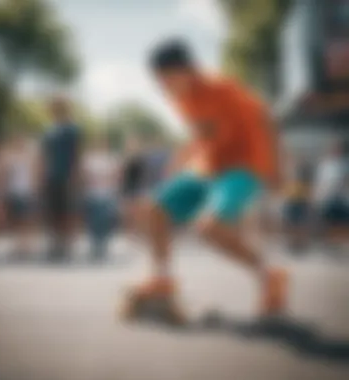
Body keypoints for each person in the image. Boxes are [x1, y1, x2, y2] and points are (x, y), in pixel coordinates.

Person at [128, 40, 288, 316]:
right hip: (208, 166)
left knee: (208, 228)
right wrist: (176, 166)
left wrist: (276, 168)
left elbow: (266, 117)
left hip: (244, 165)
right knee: (154, 208)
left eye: (168, 77)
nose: (164, 85)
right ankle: (163, 279)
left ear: (189, 69)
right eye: (159, 80)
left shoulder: (221, 87)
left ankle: (269, 275)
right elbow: (201, 133)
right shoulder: (178, 98)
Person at [41, 97, 81, 262]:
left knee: (66, 211)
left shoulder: (72, 129)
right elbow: (45, 154)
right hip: (51, 175)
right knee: (52, 211)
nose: (54, 110)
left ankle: (66, 245)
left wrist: (75, 176)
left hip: (66, 175)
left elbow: (76, 154)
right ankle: (55, 243)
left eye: (57, 107)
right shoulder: (49, 129)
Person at [0, 134, 39, 258]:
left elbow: (36, 174)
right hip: (12, 191)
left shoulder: (30, 157)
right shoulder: (8, 156)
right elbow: (0, 174)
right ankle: (19, 245)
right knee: (15, 219)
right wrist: (0, 190)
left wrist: (35, 189)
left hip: (26, 192)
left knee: (26, 219)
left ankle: (26, 246)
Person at [81, 136, 120, 261]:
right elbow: (85, 175)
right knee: (92, 220)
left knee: (105, 220)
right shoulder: (89, 158)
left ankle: (103, 244)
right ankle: (94, 244)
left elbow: (116, 175)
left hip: (108, 194)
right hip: (92, 194)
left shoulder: (111, 158)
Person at [313, 141, 349, 250]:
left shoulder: (343, 164)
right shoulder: (325, 165)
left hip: (340, 199)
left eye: (337, 149)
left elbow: (344, 182)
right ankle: (328, 237)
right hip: (327, 199)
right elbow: (320, 184)